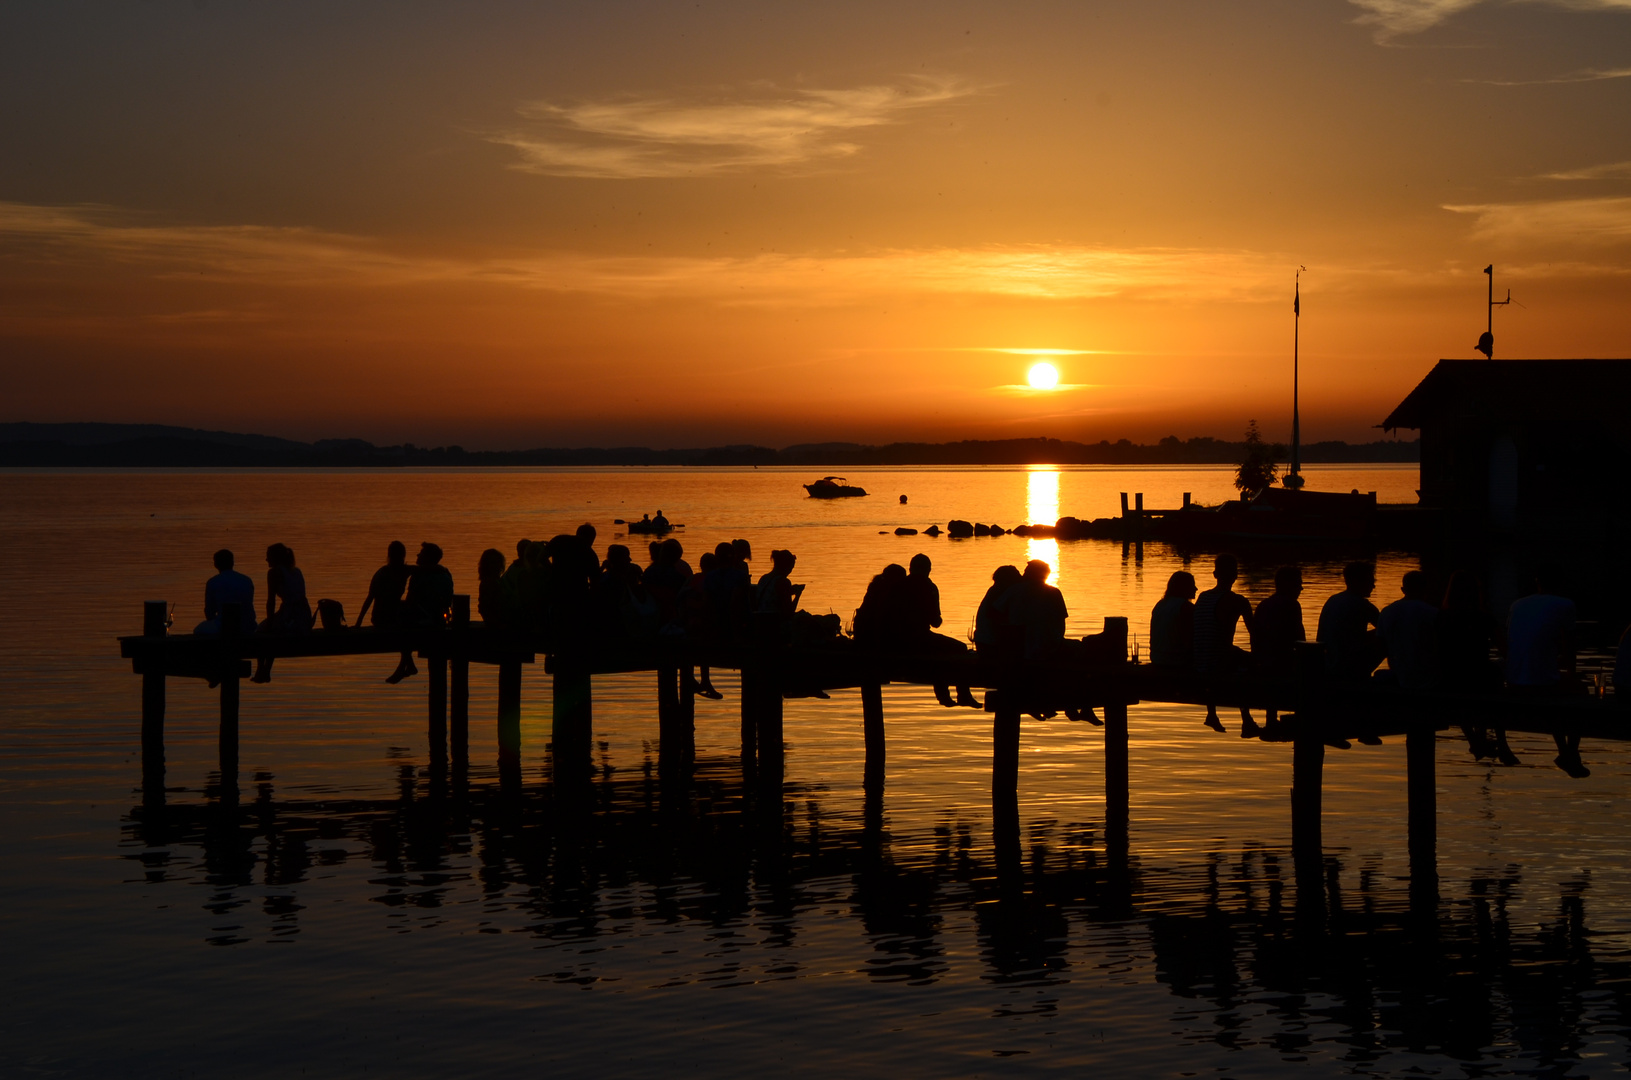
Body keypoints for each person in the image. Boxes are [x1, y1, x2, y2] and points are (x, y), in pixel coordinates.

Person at [1507, 570, 1585, 777]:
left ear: (1537, 583)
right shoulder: (1565, 604)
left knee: (1554, 690)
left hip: (1514, 681)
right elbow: (1570, 647)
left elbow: (1521, 643)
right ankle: (1571, 752)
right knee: (1580, 692)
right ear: (1560, 584)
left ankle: (1565, 752)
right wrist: (1573, 674)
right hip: (1541, 685)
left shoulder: (1517, 604)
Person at [1437, 570, 1516, 764]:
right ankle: (1502, 743)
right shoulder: (1484, 618)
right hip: (1481, 678)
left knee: (1461, 689)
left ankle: (1475, 739)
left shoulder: (1442, 617)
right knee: (1495, 678)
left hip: (1451, 679)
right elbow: (1506, 650)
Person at [1193, 554, 1256, 737]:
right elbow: (1254, 634)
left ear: (1215, 574)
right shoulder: (1238, 601)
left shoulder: (1203, 597)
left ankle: (1211, 714)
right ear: (1235, 576)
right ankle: (1247, 719)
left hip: (1199, 660)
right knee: (1248, 665)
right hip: (1218, 661)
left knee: (1227, 652)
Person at [903, 553, 977, 708]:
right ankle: (961, 694)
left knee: (938, 649)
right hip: (919, 637)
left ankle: (944, 694)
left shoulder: (900, 585)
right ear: (928, 570)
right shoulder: (929, 586)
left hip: (898, 639)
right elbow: (935, 622)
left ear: (910, 568)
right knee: (959, 648)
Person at [386, 542, 454, 684]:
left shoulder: (418, 576)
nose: (417, 555)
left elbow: (411, 600)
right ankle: (407, 665)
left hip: (423, 621)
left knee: (398, 619)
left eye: (421, 553)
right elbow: (448, 600)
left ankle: (407, 664)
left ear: (427, 558)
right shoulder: (445, 573)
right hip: (439, 620)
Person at [1249, 566, 1304, 739]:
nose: (1301, 589)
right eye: (1298, 585)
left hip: (1262, 664)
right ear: (1288, 585)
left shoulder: (1263, 605)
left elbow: (1255, 638)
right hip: (1282, 666)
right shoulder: (1291, 605)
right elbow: (1299, 640)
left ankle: (1271, 718)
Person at [252, 543, 311, 683]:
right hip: (304, 616)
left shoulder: (274, 573)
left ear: (275, 558)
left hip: (291, 617)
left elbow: (271, 602)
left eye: (268, 557)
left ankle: (262, 669)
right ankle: (265, 671)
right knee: (271, 630)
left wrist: (270, 623)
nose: (266, 560)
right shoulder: (297, 571)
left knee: (261, 632)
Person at [1317, 562, 1383, 681]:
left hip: (1327, 663)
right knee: (1387, 637)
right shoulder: (1363, 605)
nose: (1373, 586)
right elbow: (1386, 628)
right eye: (1370, 581)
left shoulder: (1333, 600)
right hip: (1346, 666)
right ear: (1358, 581)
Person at [1377, 570, 1438, 691]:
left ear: (1403, 589)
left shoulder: (1387, 612)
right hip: (1428, 678)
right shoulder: (1433, 613)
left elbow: (1381, 646)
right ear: (1426, 590)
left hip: (1398, 674)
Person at [195, 548, 256, 635]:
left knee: (198, 630)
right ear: (233, 563)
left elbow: (209, 610)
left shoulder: (213, 582)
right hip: (247, 625)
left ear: (216, 564)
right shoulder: (246, 580)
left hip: (223, 625)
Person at [356, 541, 412, 628]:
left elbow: (426, 569)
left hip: (392, 615)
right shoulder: (382, 573)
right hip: (381, 617)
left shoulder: (405, 570)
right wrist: (359, 622)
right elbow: (370, 598)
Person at [1148, 570, 1197, 668]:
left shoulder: (1160, 605)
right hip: (1176, 661)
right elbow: (1190, 640)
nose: (1196, 588)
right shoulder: (1186, 607)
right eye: (1192, 585)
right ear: (1183, 587)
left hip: (1157, 658)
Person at [973, 565, 1023, 650]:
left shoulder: (994, 590)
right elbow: (993, 616)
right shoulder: (1000, 592)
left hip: (983, 640)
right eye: (1017, 576)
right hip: (991, 642)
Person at [476, 547, 513, 628]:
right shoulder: (489, 583)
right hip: (497, 623)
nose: (498, 566)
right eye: (495, 563)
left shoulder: (497, 581)